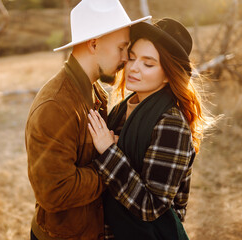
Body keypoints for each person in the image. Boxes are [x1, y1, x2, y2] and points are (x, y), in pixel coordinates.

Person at [25, 0, 150, 239]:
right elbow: (53, 192)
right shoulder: (56, 106)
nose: (126, 59)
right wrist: (109, 166)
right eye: (121, 48)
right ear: (93, 43)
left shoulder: (94, 91)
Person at [87, 18, 207, 240]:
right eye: (132, 58)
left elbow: (151, 206)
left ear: (168, 75)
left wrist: (109, 152)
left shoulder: (171, 124)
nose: (133, 67)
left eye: (148, 64)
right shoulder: (123, 108)